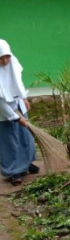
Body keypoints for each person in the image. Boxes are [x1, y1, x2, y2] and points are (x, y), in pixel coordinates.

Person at [0, 39, 39, 186]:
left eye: (7, 56)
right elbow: (1, 103)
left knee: (25, 137)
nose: (5, 61)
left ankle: (26, 163)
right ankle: (14, 171)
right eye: (1, 58)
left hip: (18, 104)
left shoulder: (13, 64)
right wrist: (16, 117)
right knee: (10, 141)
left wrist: (24, 98)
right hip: (4, 112)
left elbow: (18, 82)